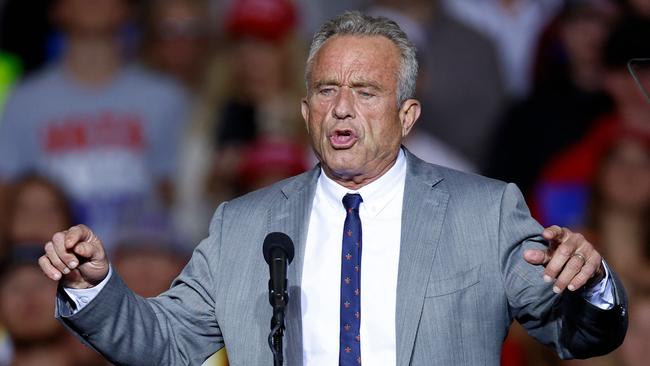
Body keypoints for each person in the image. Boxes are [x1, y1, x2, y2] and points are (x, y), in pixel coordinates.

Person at [38, 11, 627, 366]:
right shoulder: (244, 225)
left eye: (366, 91)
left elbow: (573, 332)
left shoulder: (486, 211)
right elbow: (163, 345)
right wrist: (97, 287)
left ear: (408, 114)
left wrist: (593, 285)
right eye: (326, 91)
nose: (342, 109)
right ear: (304, 110)